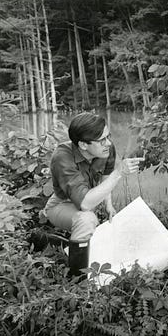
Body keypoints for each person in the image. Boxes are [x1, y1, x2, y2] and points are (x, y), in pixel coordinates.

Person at [43, 112, 143, 276]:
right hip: (62, 204)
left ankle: (64, 246)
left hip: (89, 199)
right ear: (83, 145)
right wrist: (118, 173)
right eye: (102, 140)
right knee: (87, 219)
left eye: (108, 136)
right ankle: (77, 280)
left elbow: (104, 179)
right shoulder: (62, 156)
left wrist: (108, 206)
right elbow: (85, 204)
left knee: (100, 222)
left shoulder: (106, 150)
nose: (109, 143)